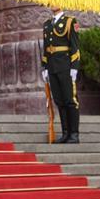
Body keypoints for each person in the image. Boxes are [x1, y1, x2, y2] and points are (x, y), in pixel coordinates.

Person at [41, 7, 81, 143]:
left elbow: (75, 46)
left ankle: (74, 134)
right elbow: (46, 48)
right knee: (59, 101)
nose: (52, 3)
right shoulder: (47, 24)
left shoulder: (70, 22)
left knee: (70, 100)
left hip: (65, 66)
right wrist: (44, 67)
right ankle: (65, 133)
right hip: (52, 66)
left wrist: (74, 67)